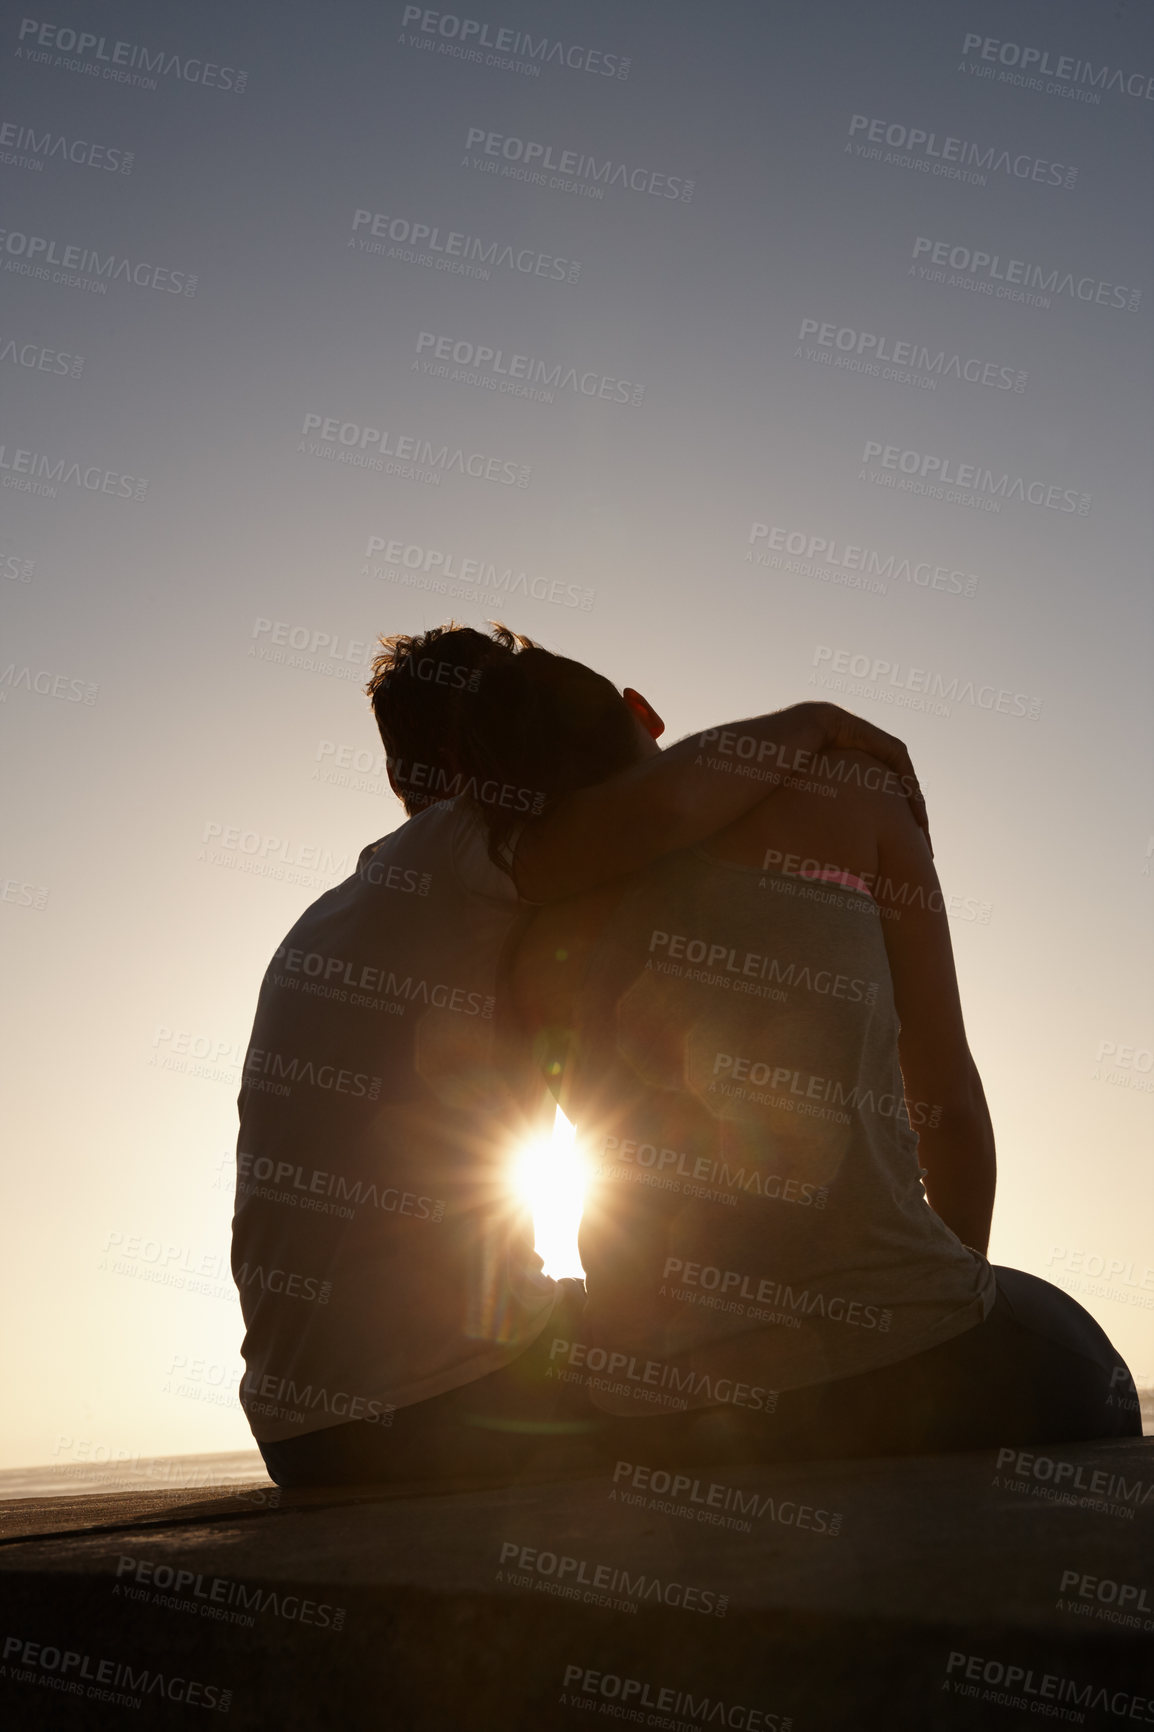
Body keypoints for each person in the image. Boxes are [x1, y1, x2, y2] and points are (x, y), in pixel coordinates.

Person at [232, 622, 927, 1489]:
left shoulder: (342, 910)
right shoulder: (469, 846)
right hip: (433, 1411)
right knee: (719, 1368)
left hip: (304, 1431)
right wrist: (817, 722)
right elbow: (669, 807)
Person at [498, 648, 1143, 1465]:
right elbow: (946, 1094)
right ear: (642, 711)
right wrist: (921, 1309)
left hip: (659, 1414)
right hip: (901, 1361)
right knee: (1093, 1365)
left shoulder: (523, 934)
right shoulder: (853, 795)